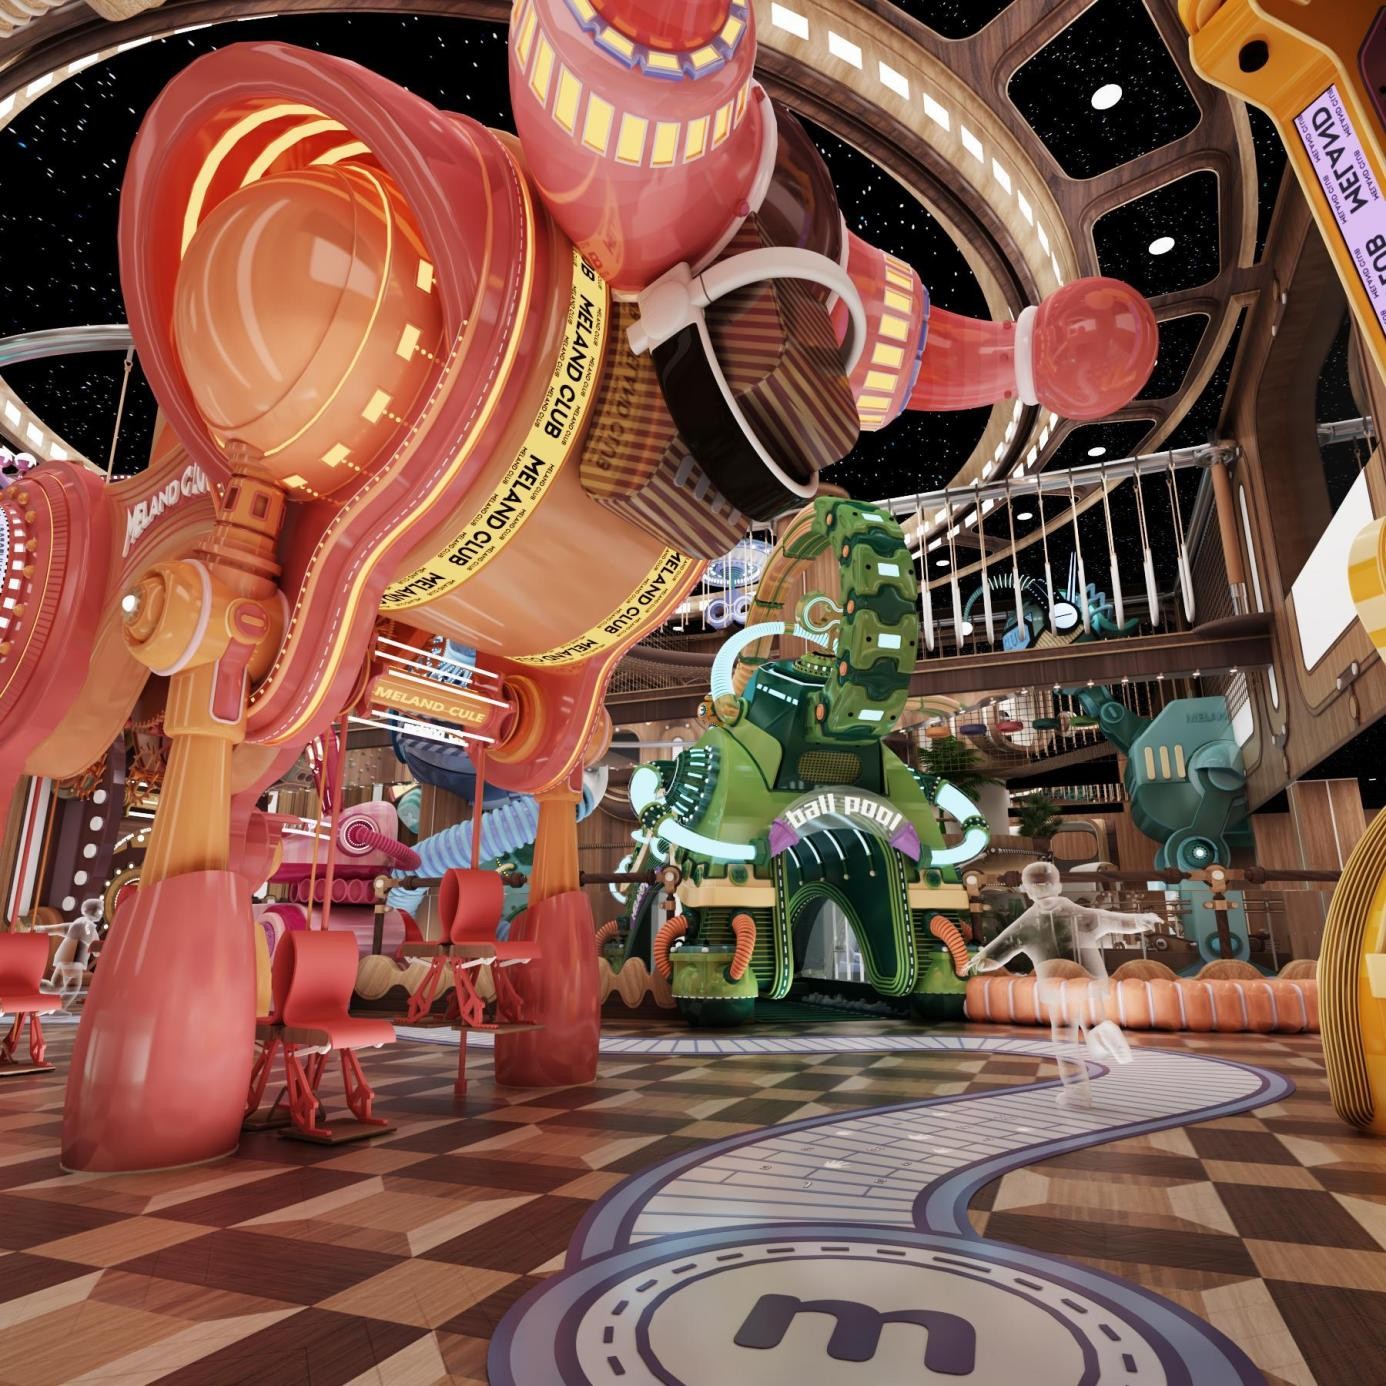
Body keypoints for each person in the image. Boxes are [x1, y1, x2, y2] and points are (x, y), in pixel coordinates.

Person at [966, 861, 1162, 1107]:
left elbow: (996, 954)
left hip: (1055, 984)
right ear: (1058, 886)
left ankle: (1077, 1094)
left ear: (1027, 890)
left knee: (1063, 1036)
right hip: (1089, 980)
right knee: (1093, 1019)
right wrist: (1142, 920)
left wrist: (974, 962)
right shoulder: (1081, 915)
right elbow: (1114, 920)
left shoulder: (1026, 924)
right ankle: (1103, 1031)